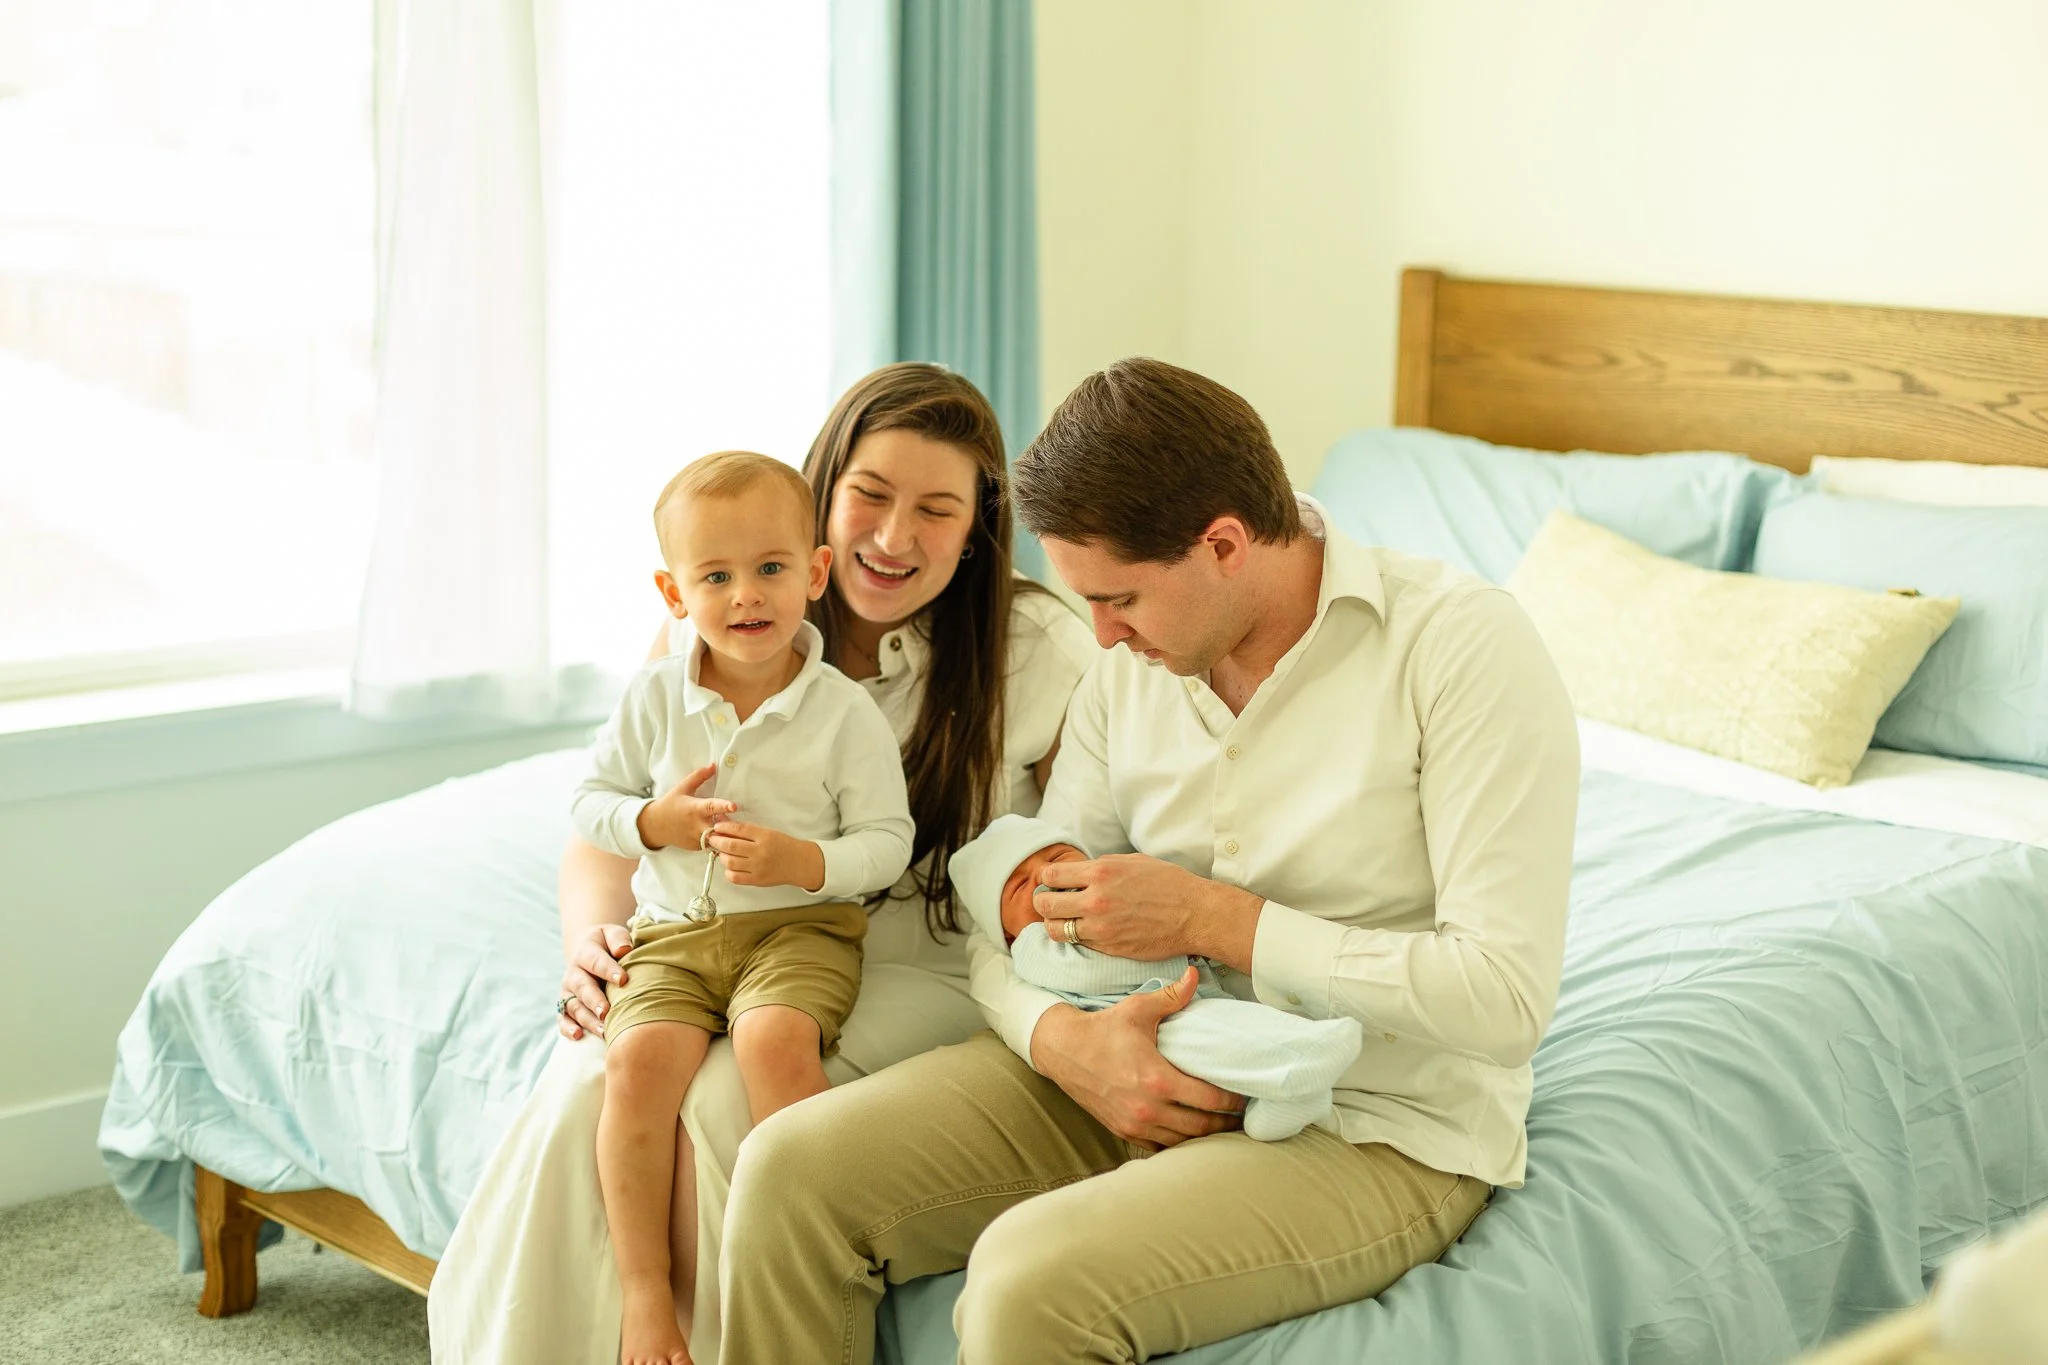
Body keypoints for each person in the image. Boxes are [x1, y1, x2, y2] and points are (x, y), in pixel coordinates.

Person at [715, 357, 1582, 1364]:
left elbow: (1503, 1000)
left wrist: (1215, 921)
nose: (1099, 633)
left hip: (1372, 1121)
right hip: (1140, 1058)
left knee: (1026, 1285)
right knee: (785, 1171)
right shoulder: (1130, 670)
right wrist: (1056, 1041)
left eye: (1118, 598)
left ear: (1223, 545)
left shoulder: (1458, 648)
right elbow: (1032, 908)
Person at [428, 365, 1097, 1365]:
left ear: (975, 526)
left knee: (716, 1103)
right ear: (823, 492)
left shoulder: (1038, 646)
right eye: (869, 496)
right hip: (713, 937)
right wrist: (589, 947)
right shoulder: (718, 618)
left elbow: (1082, 849)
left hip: (918, 964)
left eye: (936, 509)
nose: (892, 536)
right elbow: (609, 826)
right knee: (596, 1084)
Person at [573, 452, 915, 1365]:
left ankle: (801, 1251)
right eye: (714, 576)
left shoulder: (843, 712)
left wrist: (804, 861)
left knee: (771, 1042)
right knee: (637, 1063)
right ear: (673, 592)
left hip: (799, 930)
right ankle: (647, 1299)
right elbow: (588, 801)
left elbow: (888, 840)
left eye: (769, 569)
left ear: (813, 572)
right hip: (675, 934)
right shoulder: (655, 696)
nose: (746, 596)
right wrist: (654, 820)